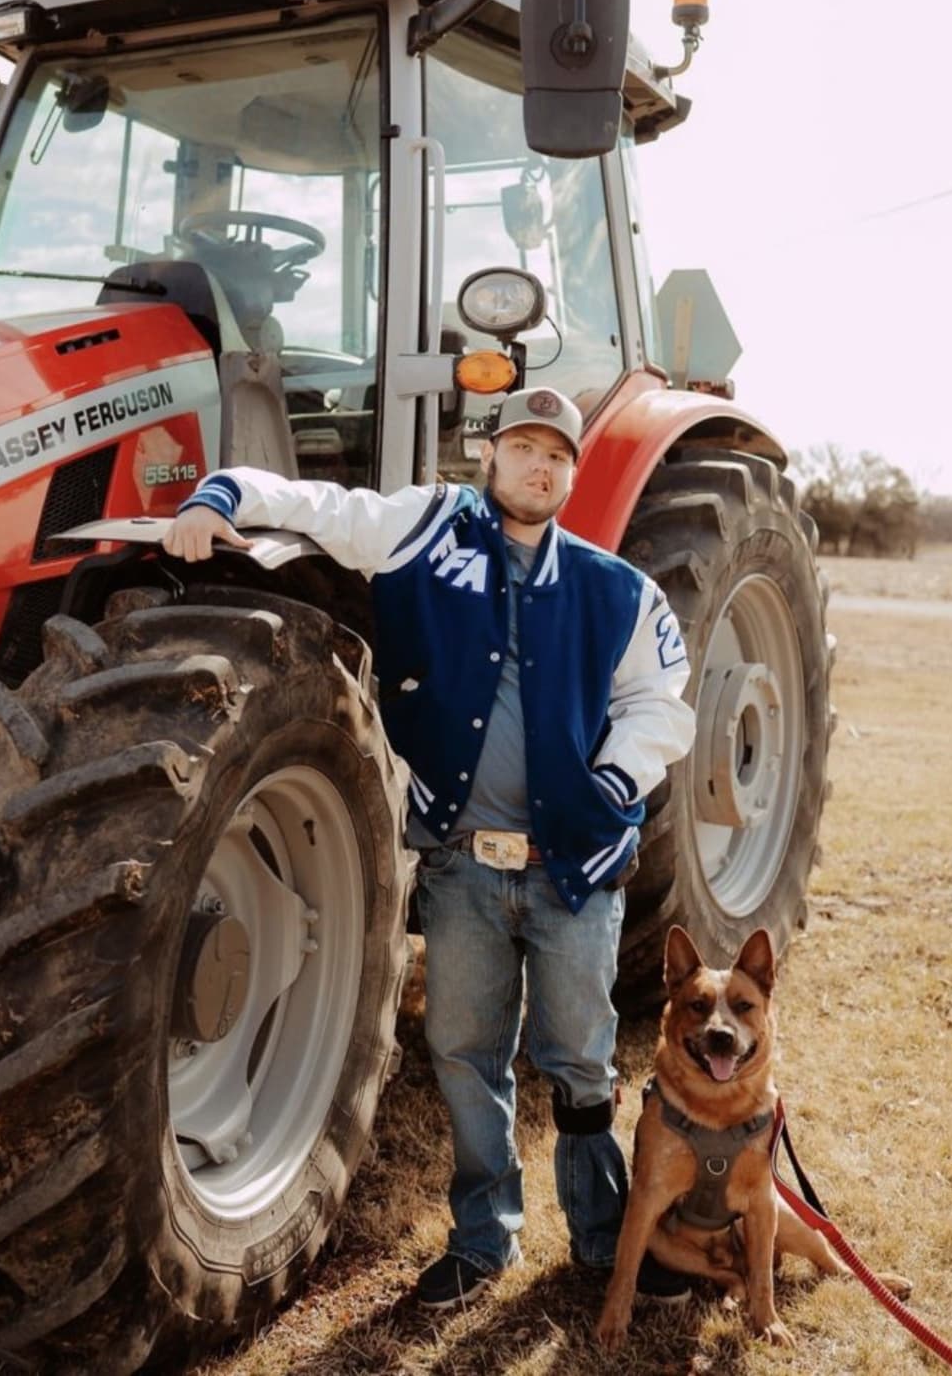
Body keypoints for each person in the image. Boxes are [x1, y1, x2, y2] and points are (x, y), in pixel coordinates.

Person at [164, 386, 696, 1309]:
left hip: (573, 870)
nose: (540, 466)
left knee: (578, 1063)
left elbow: (663, 701)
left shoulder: (619, 590)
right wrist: (222, 495)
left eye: (557, 455)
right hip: (461, 869)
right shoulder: (425, 527)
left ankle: (605, 1241)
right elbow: (320, 508)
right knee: (464, 1054)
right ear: (488, 456)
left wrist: (612, 783)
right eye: (523, 447)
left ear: (573, 472)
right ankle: (483, 1240)